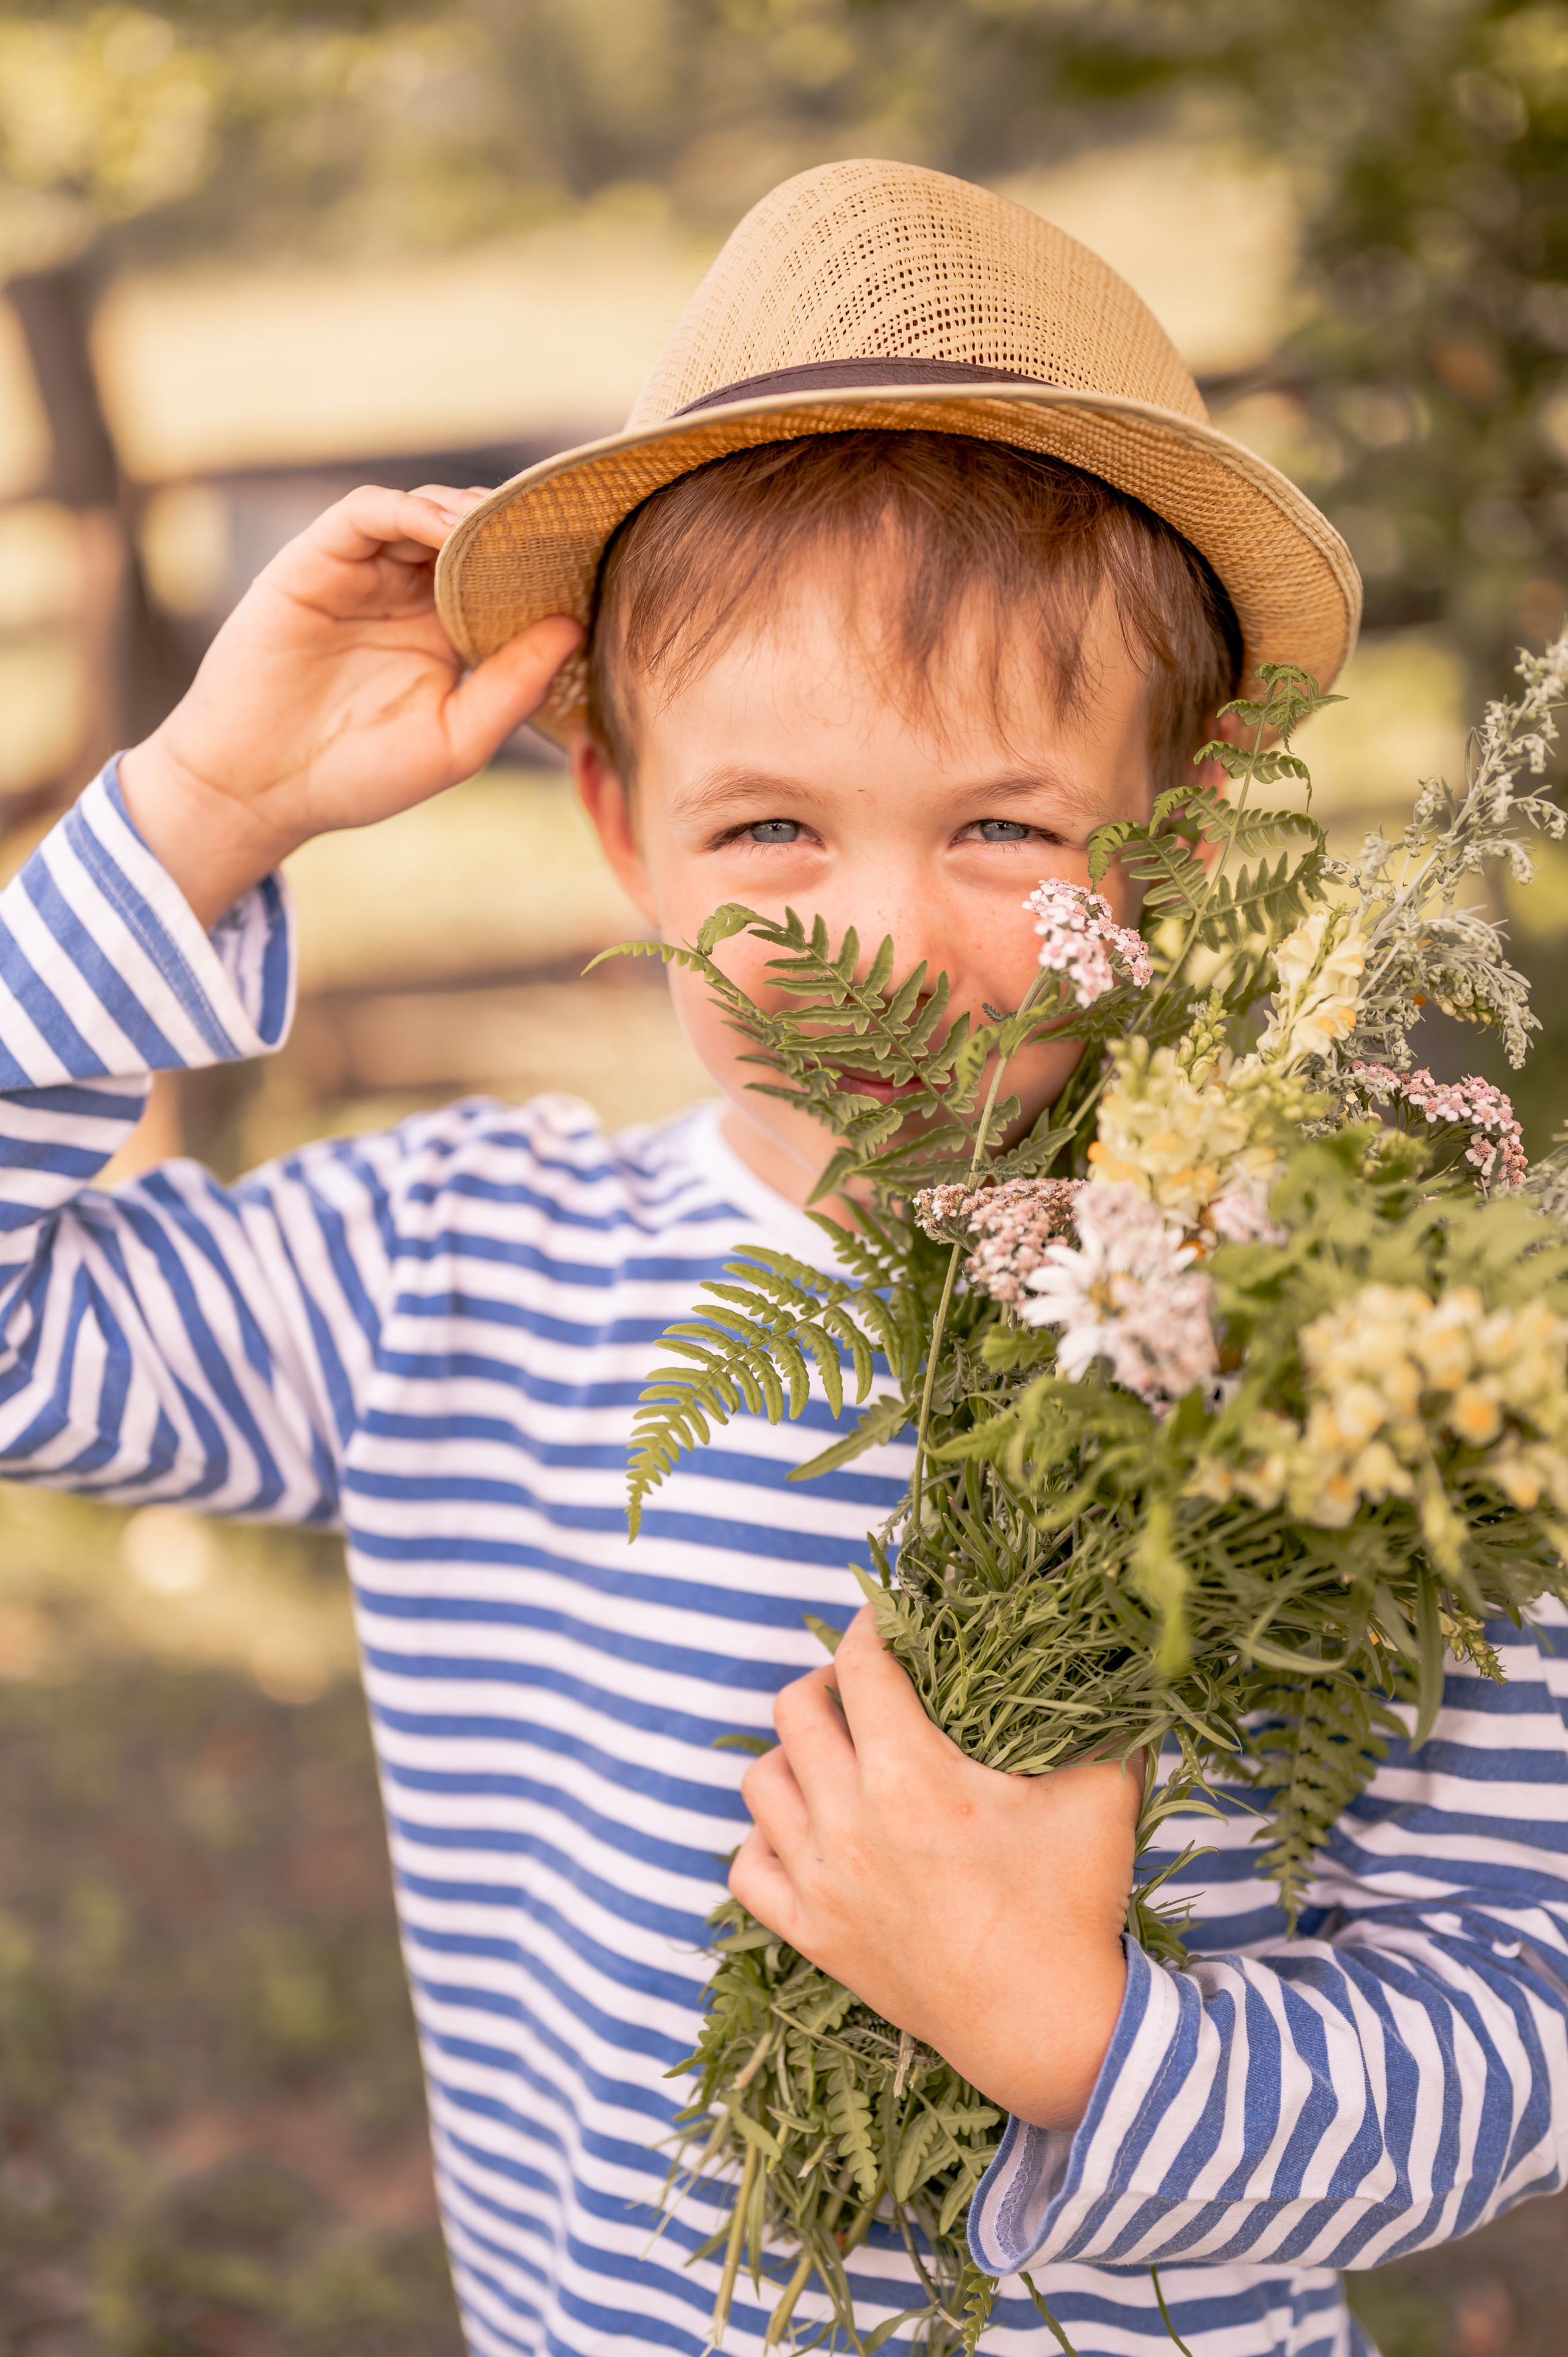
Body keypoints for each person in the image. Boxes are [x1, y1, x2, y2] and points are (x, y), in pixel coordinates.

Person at [3, 156, 1564, 2357]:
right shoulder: (452, 1271)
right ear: (621, 830)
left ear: (1189, 830)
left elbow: (1520, 2006)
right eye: (769, 829)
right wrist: (202, 811)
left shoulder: (1344, 1359)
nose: (885, 941)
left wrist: (1086, 2041)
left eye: (1004, 826)